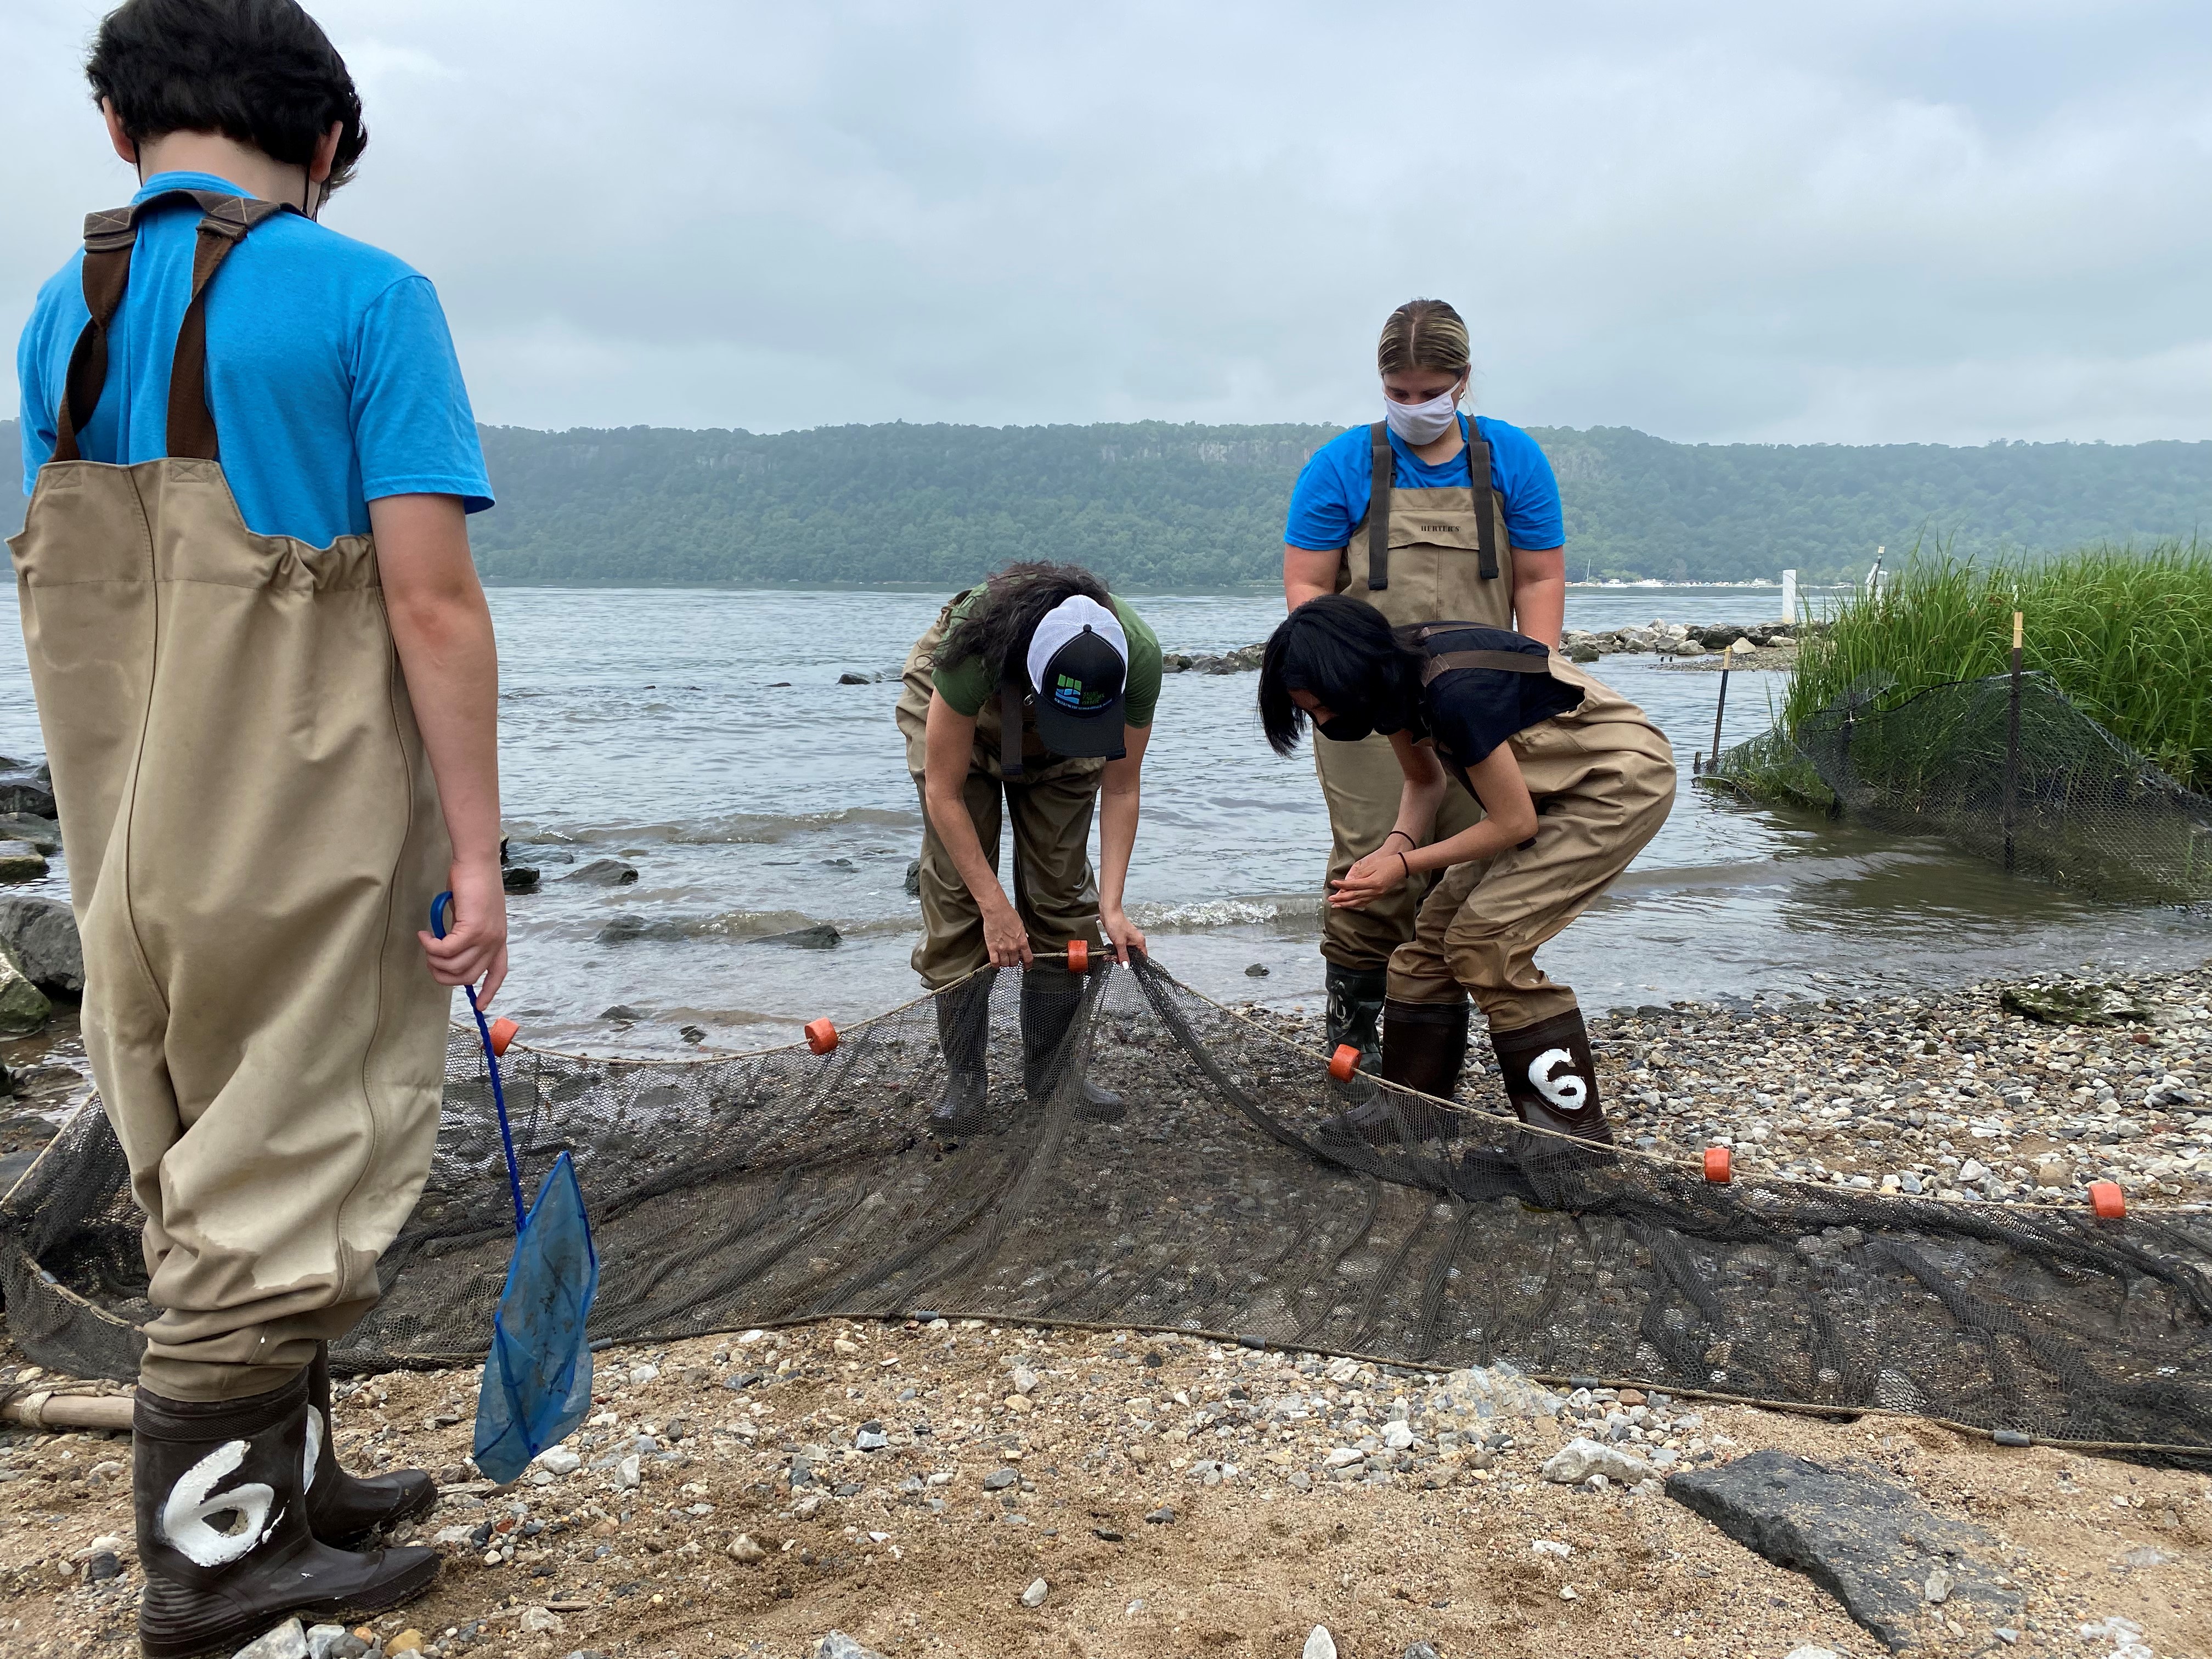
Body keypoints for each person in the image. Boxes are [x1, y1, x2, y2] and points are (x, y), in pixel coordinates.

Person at [11, 2, 502, 1650]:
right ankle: (217, 1565)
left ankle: (290, 1478)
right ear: (328, 147)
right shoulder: (368, 298)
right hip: (298, 815)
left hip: (123, 828)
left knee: (194, 1146)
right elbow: (430, 606)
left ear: (117, 128)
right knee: (302, 1141)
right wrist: (481, 854)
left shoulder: (52, 324)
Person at [1258, 596, 1674, 1146]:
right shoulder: (1391, 678)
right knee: (1427, 947)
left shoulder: (1453, 690)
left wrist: (1403, 866)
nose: (1322, 721)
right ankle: (1414, 1112)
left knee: (1485, 942)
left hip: (1612, 786)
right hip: (1544, 792)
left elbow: (1513, 823)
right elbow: (1424, 783)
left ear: (1347, 676)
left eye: (1321, 708)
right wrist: (1392, 851)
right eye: (1309, 713)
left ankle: (1567, 1141)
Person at [1281, 298, 1568, 1079]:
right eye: (1397, 391)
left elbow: (1540, 577)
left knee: (1470, 860)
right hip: (1368, 704)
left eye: (1429, 391)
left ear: (1463, 381)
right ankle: (1355, 1031)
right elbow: (1307, 586)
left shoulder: (1512, 459)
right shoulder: (1341, 465)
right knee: (1371, 859)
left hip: (1479, 698)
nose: (1413, 406)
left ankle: (1428, 1045)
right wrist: (1337, 678)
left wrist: (1534, 685)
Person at [894, 562, 1159, 1131]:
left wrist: (1112, 906)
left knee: (1065, 896)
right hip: (964, 712)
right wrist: (994, 905)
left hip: (1068, 714)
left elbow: (1122, 784)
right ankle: (966, 1077)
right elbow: (945, 793)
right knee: (960, 894)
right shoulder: (973, 647)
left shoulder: (1137, 658)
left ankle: (1050, 1072)